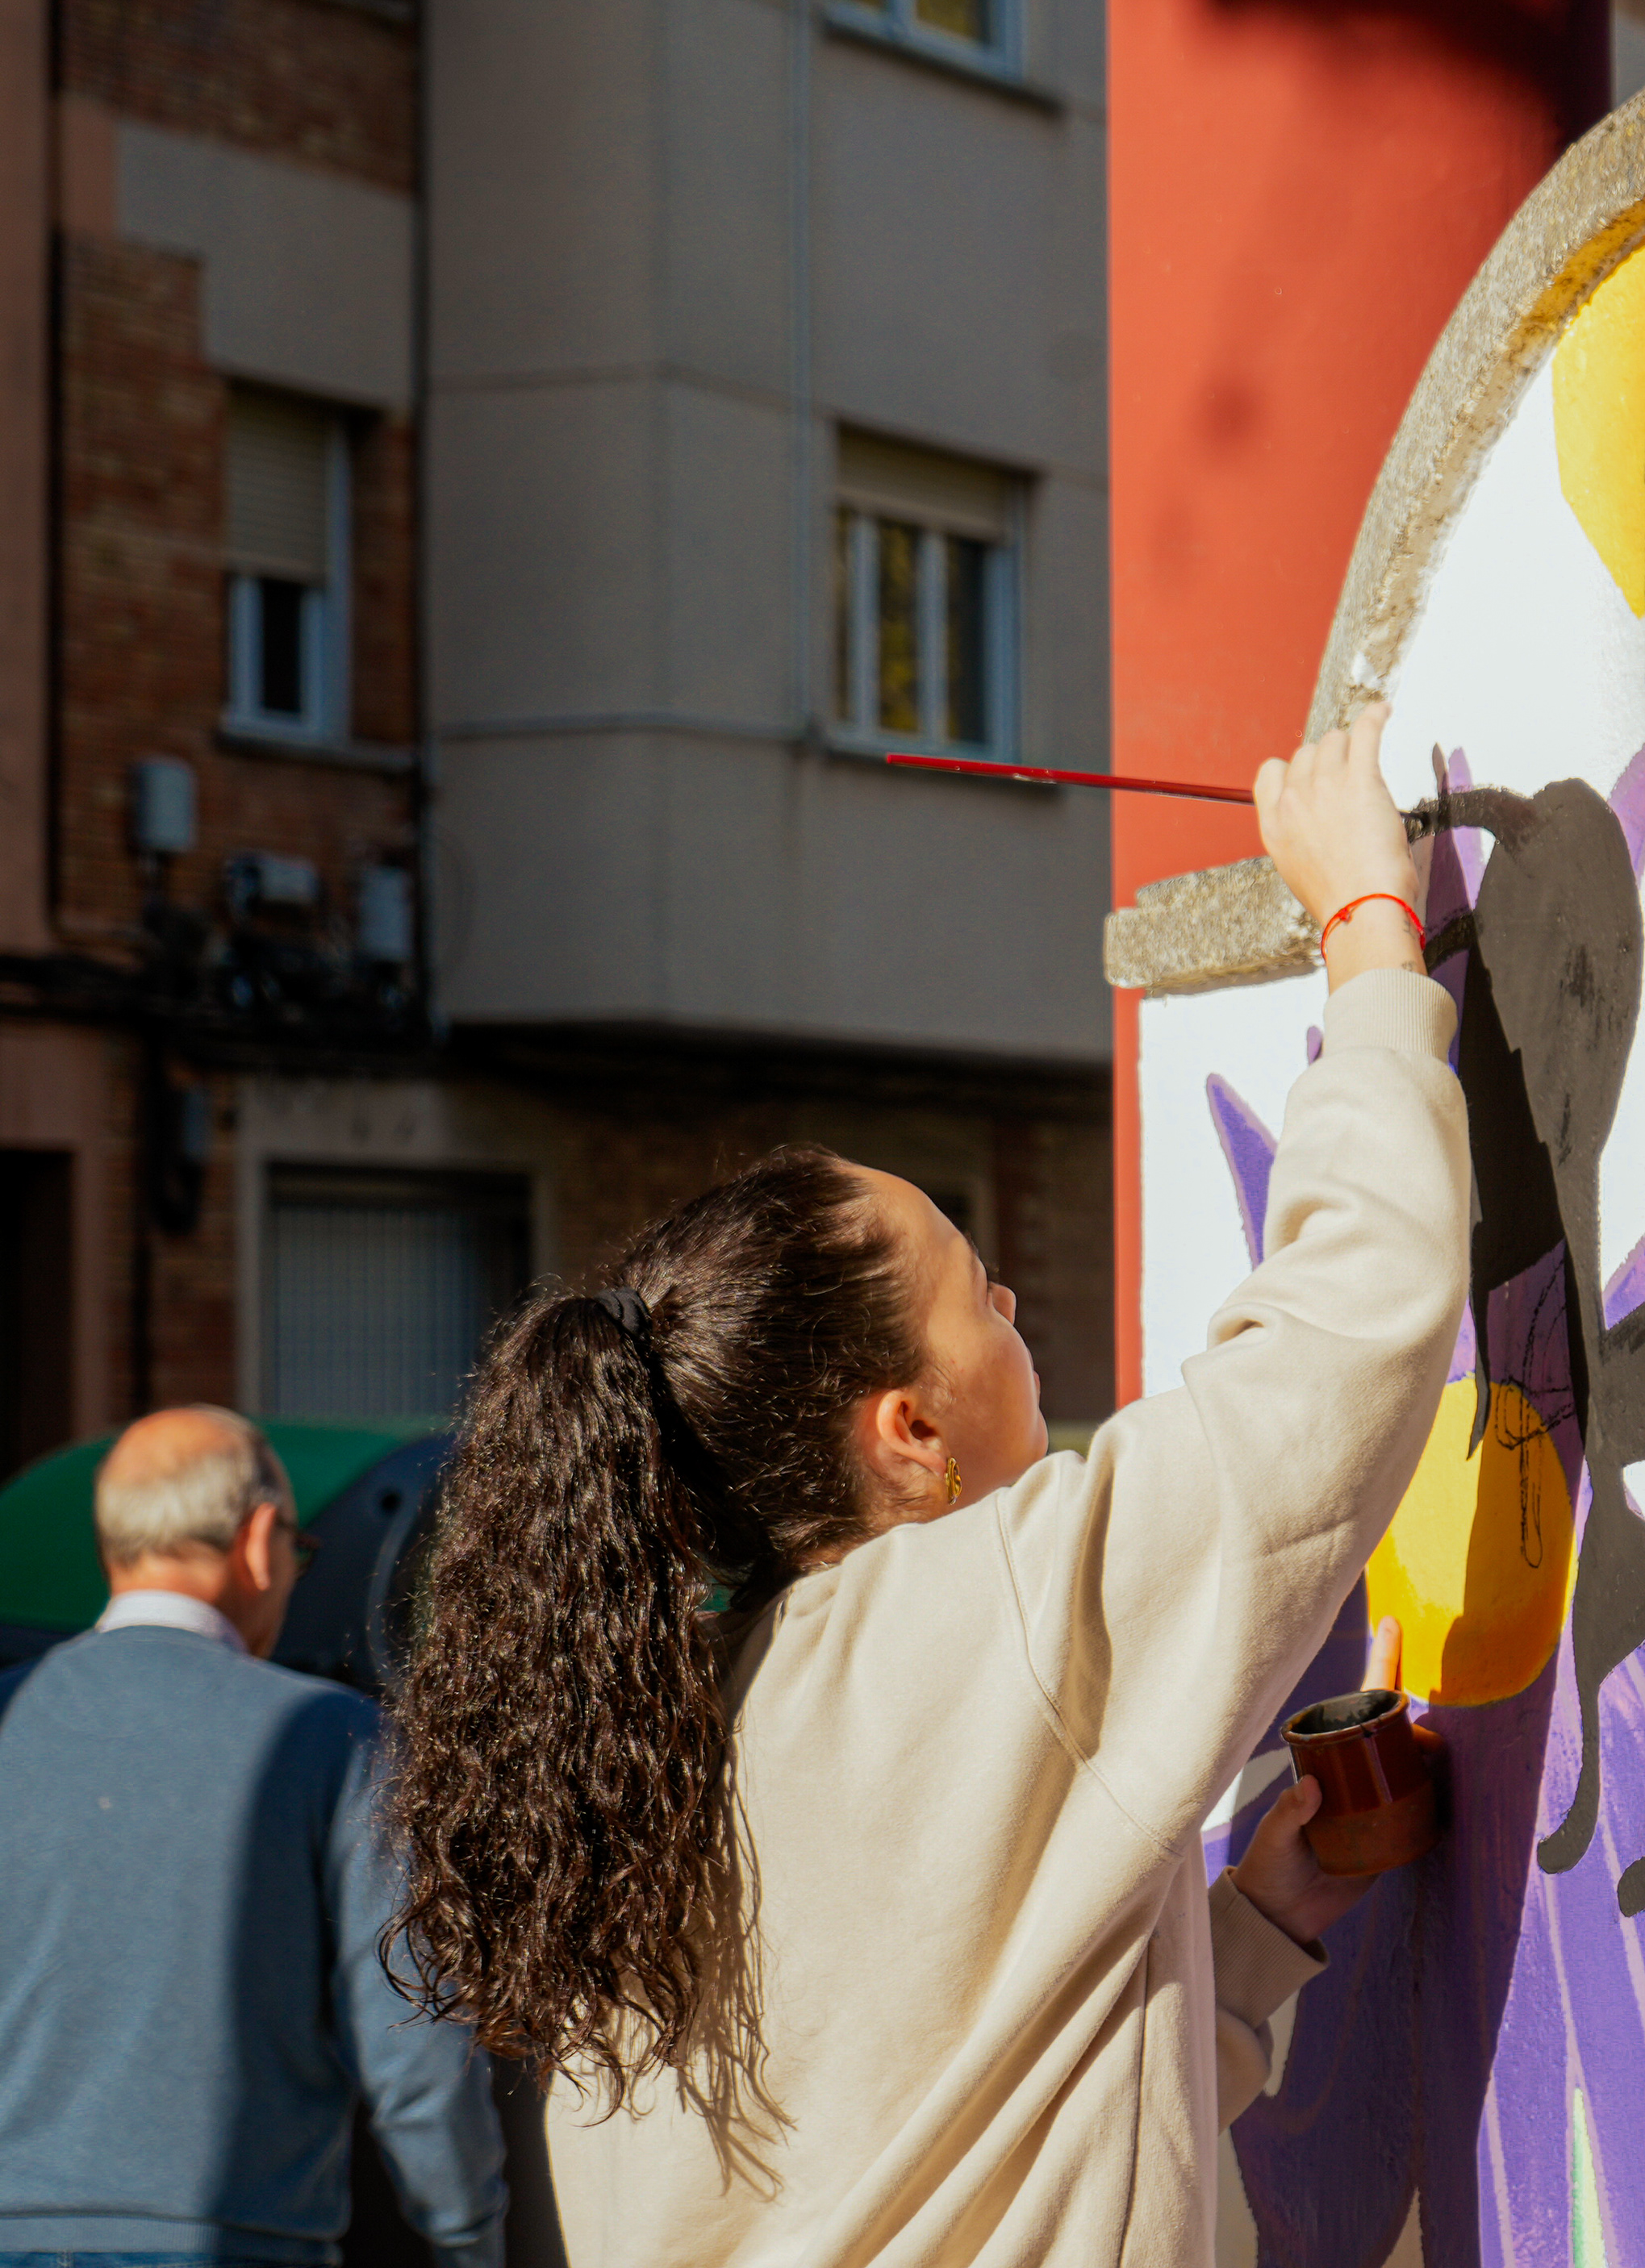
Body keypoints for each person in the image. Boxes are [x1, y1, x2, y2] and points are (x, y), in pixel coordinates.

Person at [387, 704, 1468, 2266]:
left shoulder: (652, 1745)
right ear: (908, 1431)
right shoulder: (987, 1609)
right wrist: (1367, 927)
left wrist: (1255, 1933)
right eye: (983, 1294)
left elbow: (957, 2111)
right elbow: (1338, 1349)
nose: (1017, 1313)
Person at [0, 1406, 509, 2268]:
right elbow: (413, 2042)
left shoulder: (10, 1716)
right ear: (259, 1540)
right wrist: (469, 2239)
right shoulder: (336, 1739)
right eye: (297, 1553)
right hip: (238, 2242)